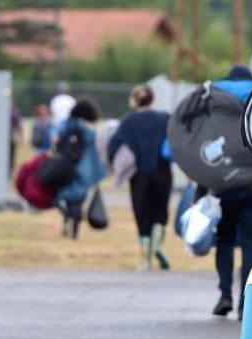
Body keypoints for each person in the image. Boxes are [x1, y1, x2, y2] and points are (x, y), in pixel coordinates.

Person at [198, 65, 252, 321]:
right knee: (251, 244)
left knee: (225, 240)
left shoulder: (214, 95)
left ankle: (225, 294)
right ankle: (245, 302)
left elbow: (201, 147)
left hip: (223, 184)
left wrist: (201, 188)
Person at [108, 84, 172, 270]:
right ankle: (158, 244)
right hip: (162, 171)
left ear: (134, 100)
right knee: (160, 211)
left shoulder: (128, 122)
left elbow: (113, 145)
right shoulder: (164, 118)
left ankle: (146, 258)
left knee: (142, 213)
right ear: (152, 99)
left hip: (139, 175)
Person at [53, 98, 105, 239]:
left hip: (63, 167)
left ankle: (66, 218)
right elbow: (95, 151)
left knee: (63, 197)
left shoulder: (65, 125)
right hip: (81, 169)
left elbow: (55, 142)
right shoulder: (89, 131)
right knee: (77, 200)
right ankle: (74, 229)